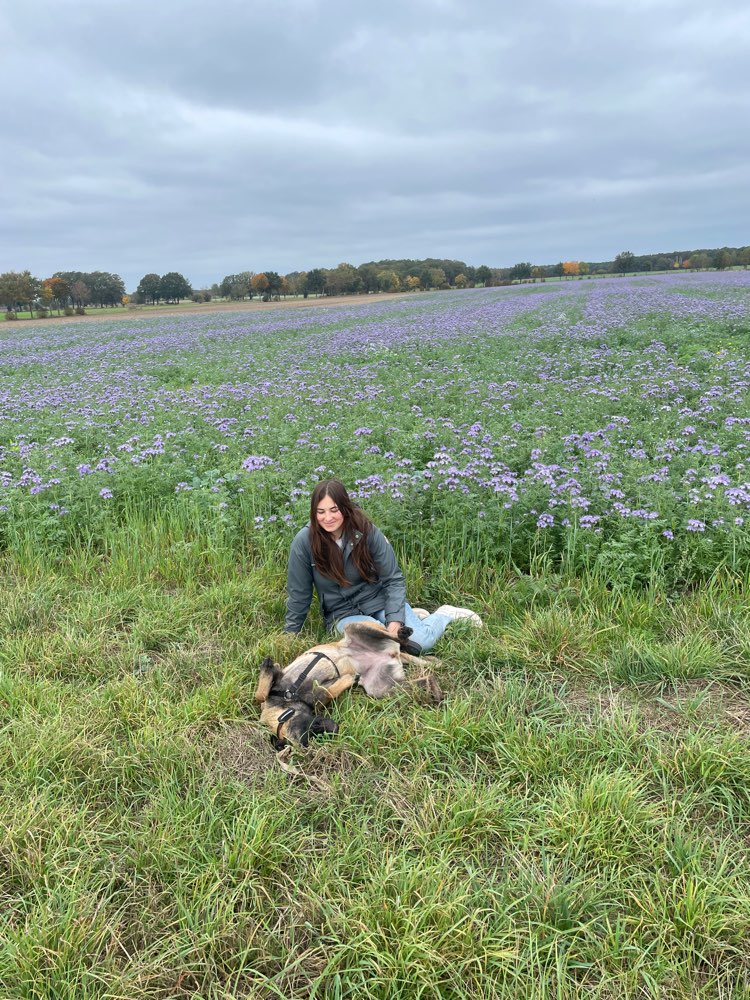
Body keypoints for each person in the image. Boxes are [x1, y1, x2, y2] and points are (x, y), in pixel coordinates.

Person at [284, 479, 482, 652]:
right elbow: (299, 594)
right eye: (320, 512)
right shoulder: (304, 542)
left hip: (378, 601)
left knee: (420, 643)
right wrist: (290, 636)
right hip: (342, 613)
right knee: (383, 644)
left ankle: (444, 615)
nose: (327, 518)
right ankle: (411, 618)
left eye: (334, 510)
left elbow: (393, 579)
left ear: (345, 507)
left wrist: (395, 620)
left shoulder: (366, 530)